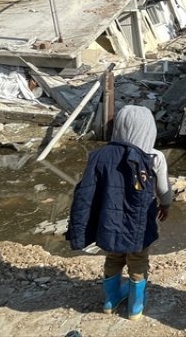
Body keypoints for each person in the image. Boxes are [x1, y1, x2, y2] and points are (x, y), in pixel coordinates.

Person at [67, 105, 173, 320]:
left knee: (114, 256)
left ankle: (110, 301)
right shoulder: (154, 156)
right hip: (140, 222)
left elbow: (88, 189)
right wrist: (166, 205)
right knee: (138, 259)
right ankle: (135, 307)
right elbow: (163, 189)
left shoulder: (101, 154)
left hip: (109, 219)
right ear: (148, 128)